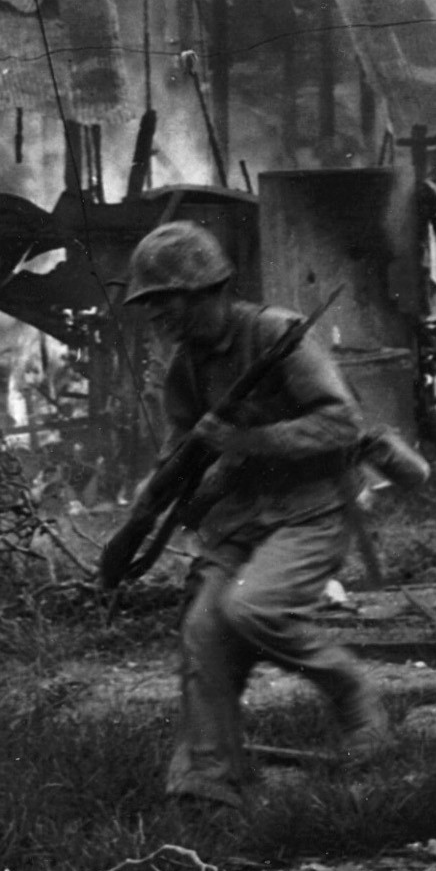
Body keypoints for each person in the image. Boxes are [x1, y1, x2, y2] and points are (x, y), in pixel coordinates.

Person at [111, 221, 389, 809]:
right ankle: (211, 783)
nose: (155, 315)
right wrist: (140, 515)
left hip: (310, 510)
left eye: (163, 300)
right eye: (149, 303)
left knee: (252, 606)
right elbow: (177, 453)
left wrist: (246, 439)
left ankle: (350, 691)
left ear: (202, 290)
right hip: (237, 518)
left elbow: (343, 423)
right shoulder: (185, 368)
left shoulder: (274, 334)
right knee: (204, 629)